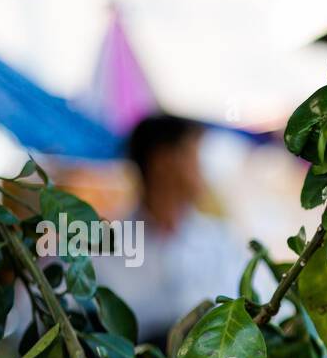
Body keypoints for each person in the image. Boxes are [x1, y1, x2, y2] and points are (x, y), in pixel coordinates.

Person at [95, 114, 245, 342]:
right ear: (163, 162)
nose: (203, 169)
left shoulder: (220, 239)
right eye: (194, 155)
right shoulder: (104, 245)